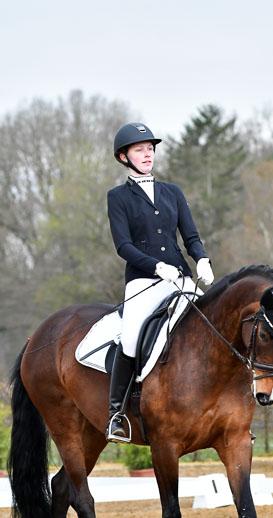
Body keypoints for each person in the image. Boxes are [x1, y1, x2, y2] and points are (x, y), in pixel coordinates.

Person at [105, 122, 214, 441]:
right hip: (143, 282)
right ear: (124, 157)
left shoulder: (172, 192)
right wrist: (155, 266)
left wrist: (202, 258)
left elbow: (191, 236)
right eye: (140, 149)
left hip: (180, 277)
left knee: (211, 325)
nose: (147, 154)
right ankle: (117, 414)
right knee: (131, 336)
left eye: (150, 148)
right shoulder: (118, 197)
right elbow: (123, 246)